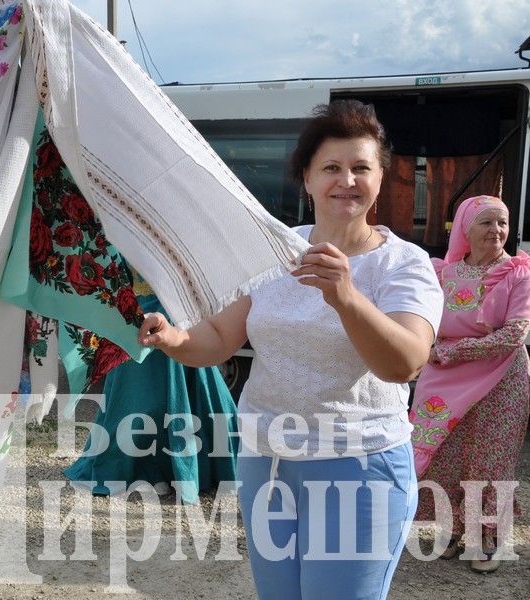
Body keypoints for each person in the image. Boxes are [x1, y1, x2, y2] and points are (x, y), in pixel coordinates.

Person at [139, 100, 443, 599]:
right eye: (331, 167)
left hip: (358, 466)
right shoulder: (273, 252)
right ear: (306, 179)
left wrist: (346, 297)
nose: (347, 180)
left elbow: (405, 362)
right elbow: (218, 340)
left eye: (361, 168)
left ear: (381, 180)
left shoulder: (403, 263)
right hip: (267, 462)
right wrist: (173, 338)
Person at [411, 195, 530, 573]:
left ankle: (486, 537)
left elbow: (514, 334)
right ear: (465, 227)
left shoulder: (519, 272)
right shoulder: (440, 273)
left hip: (501, 378)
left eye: (502, 223)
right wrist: (424, 345)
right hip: (443, 380)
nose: (497, 231)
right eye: (486, 222)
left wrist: (450, 351)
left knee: (488, 458)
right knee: (444, 454)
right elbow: (419, 321)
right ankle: (452, 527)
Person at [64, 276, 237, 503]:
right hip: (139, 307)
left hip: (180, 311)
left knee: (175, 386)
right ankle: (153, 468)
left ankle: (185, 468)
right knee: (139, 397)